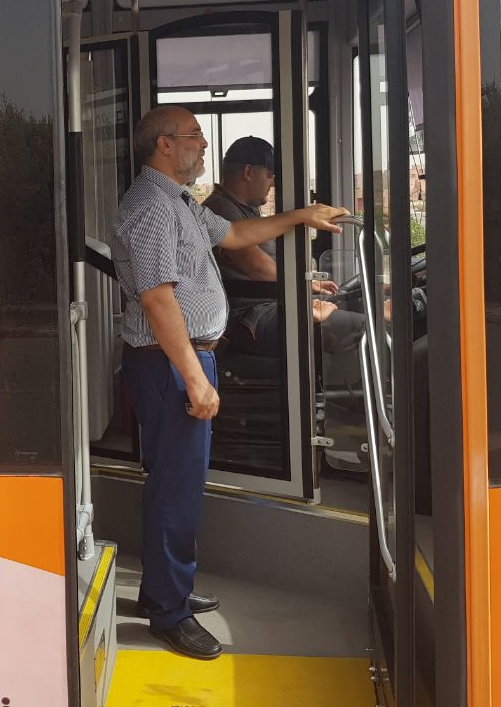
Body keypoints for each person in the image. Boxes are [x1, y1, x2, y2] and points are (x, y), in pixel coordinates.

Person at [111, 106, 346, 660]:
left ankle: (163, 592)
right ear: (164, 145)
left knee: (175, 486)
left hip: (184, 360)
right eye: (193, 136)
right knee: (176, 491)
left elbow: (239, 231)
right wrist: (195, 379)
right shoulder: (149, 208)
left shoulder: (179, 203)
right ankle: (169, 612)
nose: (201, 146)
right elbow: (157, 298)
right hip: (171, 363)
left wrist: (300, 215)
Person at [203, 136, 363, 358]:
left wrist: (309, 283)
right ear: (248, 172)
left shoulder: (244, 209)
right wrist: (305, 282)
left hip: (271, 302)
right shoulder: (220, 210)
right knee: (362, 327)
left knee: (356, 305)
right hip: (251, 315)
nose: (272, 184)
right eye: (270, 175)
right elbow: (258, 268)